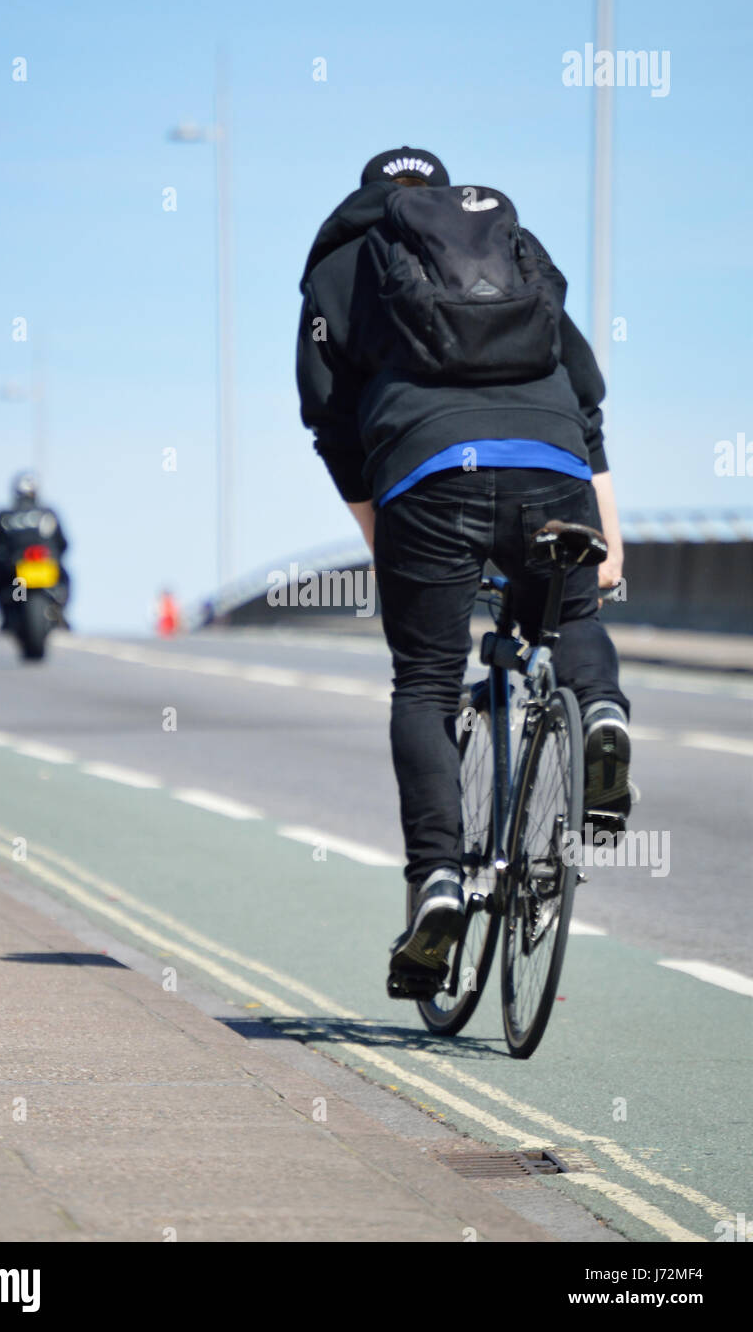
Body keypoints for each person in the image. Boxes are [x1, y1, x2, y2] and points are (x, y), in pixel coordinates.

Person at [296, 145, 631, 995]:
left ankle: (438, 882)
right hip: (551, 465)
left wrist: (385, 538)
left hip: (428, 474)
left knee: (427, 682)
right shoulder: (511, 247)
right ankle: (600, 714)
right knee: (575, 617)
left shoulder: (341, 267)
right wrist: (611, 534)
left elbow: (331, 422)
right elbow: (584, 390)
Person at [0, 472, 70, 626]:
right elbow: (63, 543)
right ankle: (60, 608)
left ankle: (57, 606)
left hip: (19, 568)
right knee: (64, 576)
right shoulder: (47, 513)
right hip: (21, 570)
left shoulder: (5, 515)